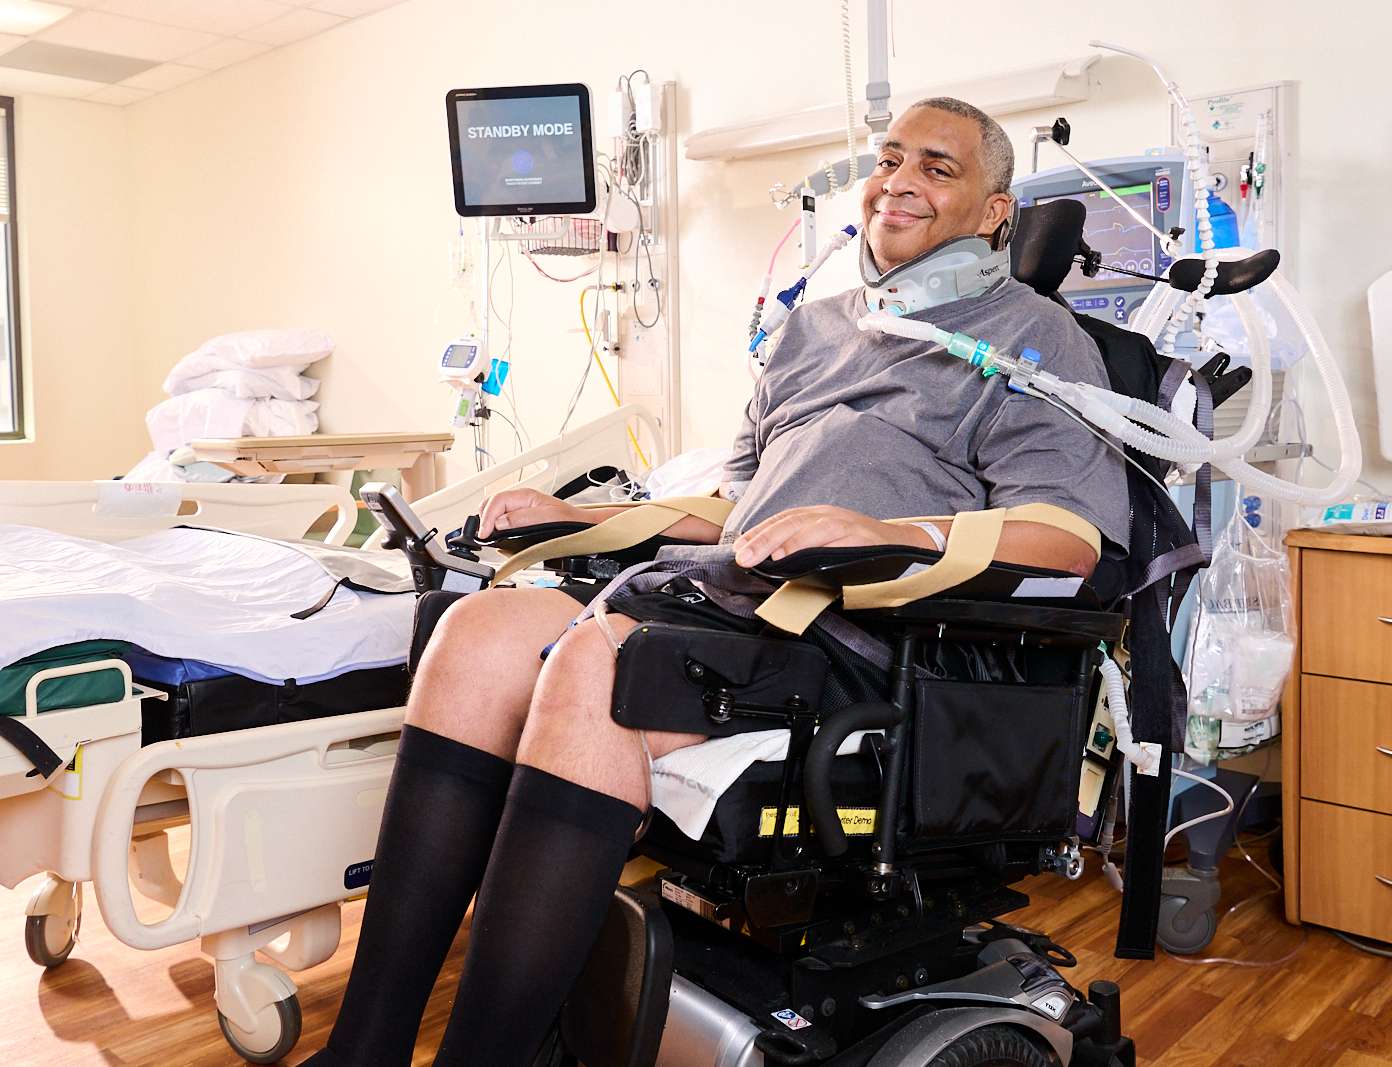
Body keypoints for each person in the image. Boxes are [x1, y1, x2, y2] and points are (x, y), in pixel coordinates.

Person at [304, 96, 1128, 1066]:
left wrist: (885, 531)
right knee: (475, 631)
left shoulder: (1035, 339)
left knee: (602, 661)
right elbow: (735, 506)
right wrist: (579, 517)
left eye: (938, 168)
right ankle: (362, 1047)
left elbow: (1069, 537)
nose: (900, 179)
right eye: (891, 157)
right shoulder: (815, 329)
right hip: (721, 598)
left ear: (996, 212)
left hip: (863, 638)